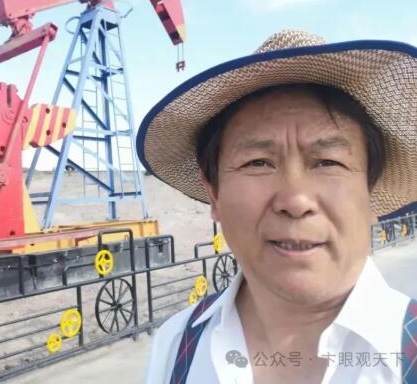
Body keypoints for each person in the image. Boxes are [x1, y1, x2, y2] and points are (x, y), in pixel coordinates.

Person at [136, 29, 417, 383]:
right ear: (214, 194)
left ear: (369, 191)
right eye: (258, 163)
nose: (296, 201)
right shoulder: (177, 345)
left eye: (328, 162)